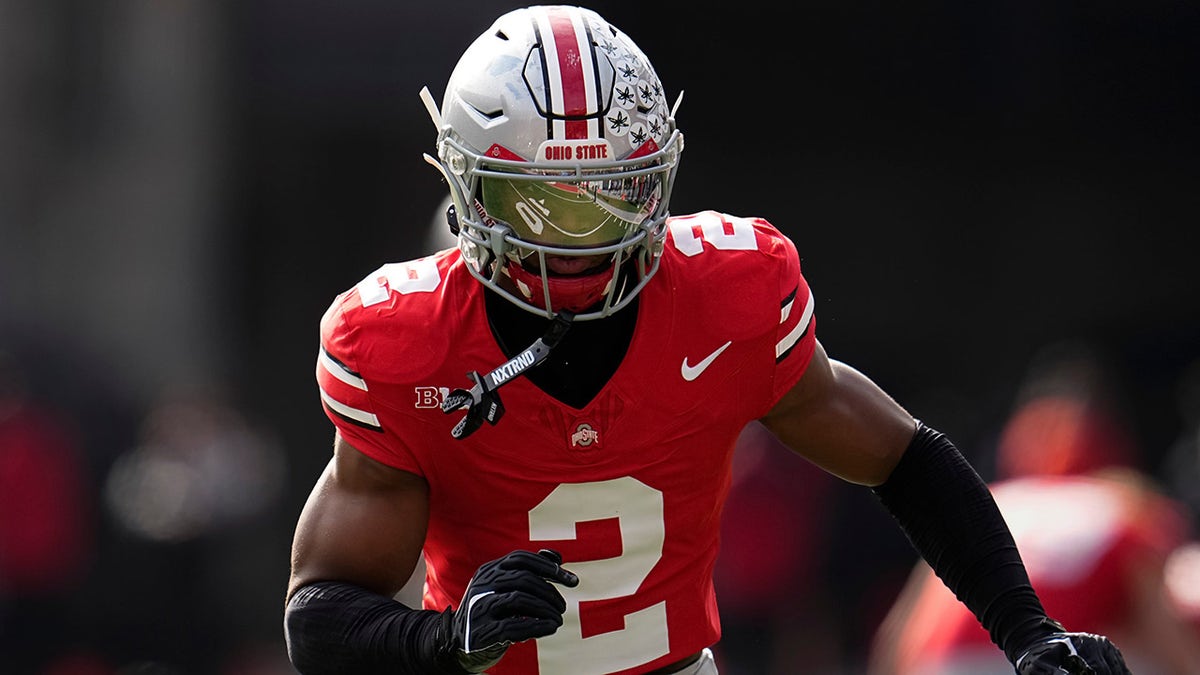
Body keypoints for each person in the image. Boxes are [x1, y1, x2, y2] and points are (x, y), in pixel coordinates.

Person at [283, 6, 1131, 674]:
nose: (575, 241)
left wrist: (1028, 630)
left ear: (658, 178)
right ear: (467, 189)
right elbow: (318, 611)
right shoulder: (410, 343)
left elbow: (903, 459)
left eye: (608, 195)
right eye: (538, 203)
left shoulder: (726, 295)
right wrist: (442, 640)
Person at [869, 343, 1200, 674]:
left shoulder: (986, 503)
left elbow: (898, 634)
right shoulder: (1125, 508)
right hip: (1035, 658)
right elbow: (1169, 638)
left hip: (942, 663)